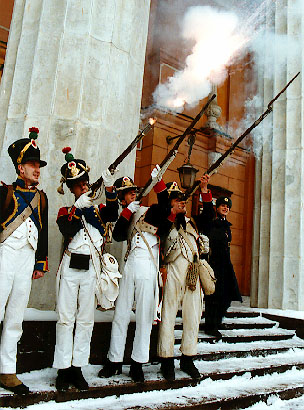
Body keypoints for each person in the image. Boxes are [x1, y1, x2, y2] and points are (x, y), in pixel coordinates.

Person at [99, 166, 176, 383]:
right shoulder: (128, 213)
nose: (134, 194)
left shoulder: (147, 211)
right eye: (129, 192)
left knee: (144, 317)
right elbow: (118, 235)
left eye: (134, 191)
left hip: (148, 266)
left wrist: (159, 183)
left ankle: (137, 363)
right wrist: (126, 212)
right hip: (131, 265)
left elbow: (163, 206)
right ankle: (114, 361)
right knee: (121, 314)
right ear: (123, 198)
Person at [53, 147, 118, 391]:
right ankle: (62, 368)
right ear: (71, 189)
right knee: (65, 319)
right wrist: (78, 208)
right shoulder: (66, 212)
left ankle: (78, 367)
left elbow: (112, 213)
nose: (82, 187)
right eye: (77, 185)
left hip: (91, 269)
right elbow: (67, 230)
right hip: (71, 268)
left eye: (84, 183)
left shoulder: (98, 211)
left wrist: (109, 188)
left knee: (85, 320)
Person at [0, 127, 48, 395]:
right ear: (20, 167)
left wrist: (40, 262)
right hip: (5, 254)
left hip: (26, 258)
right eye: (31, 164)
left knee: (15, 316)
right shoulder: (5, 193)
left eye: (38, 164)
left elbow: (42, 232)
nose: (37, 169)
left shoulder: (42, 198)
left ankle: (7, 371)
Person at [157, 176, 212, 382]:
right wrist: (172, 214)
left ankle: (188, 357)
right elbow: (162, 235)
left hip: (192, 273)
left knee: (193, 317)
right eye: (176, 199)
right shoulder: (164, 220)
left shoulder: (193, 223)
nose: (181, 202)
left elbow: (208, 216)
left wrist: (204, 189)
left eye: (182, 199)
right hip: (172, 269)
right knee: (168, 316)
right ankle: (166, 359)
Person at [200, 185, 242, 337]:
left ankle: (217, 321)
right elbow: (206, 209)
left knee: (227, 296)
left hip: (225, 265)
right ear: (217, 207)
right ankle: (210, 326)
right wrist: (204, 190)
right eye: (222, 205)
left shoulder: (226, 226)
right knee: (214, 297)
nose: (225, 208)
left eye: (227, 206)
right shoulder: (211, 221)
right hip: (213, 264)